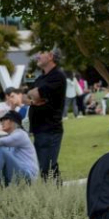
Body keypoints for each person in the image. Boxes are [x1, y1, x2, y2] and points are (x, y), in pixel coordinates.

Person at [26, 49, 67, 181]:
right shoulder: (41, 78)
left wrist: (35, 94)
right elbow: (28, 96)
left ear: (50, 56)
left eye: (41, 53)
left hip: (50, 129)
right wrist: (33, 97)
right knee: (46, 167)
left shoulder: (57, 76)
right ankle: (56, 192)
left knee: (47, 168)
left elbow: (36, 94)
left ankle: (54, 192)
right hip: (39, 129)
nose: (37, 56)